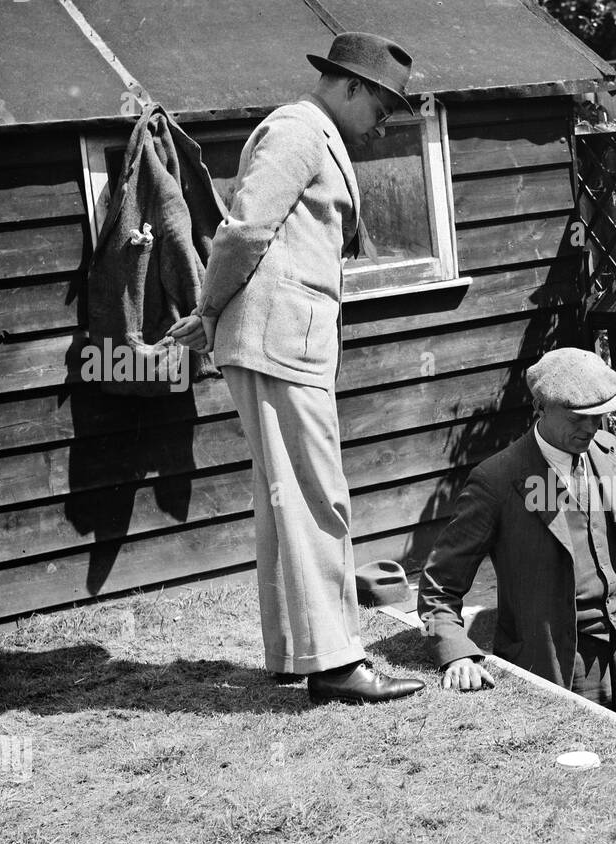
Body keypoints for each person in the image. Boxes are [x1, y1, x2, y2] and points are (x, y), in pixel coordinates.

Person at [169, 32, 422, 705]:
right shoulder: (300, 131)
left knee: (286, 495)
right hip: (281, 344)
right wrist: (211, 306)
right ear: (350, 86)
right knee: (318, 497)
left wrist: (212, 315)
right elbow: (245, 230)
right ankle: (338, 663)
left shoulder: (315, 133)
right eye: (383, 106)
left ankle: (296, 652)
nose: (384, 123)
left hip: (282, 341)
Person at [418, 348, 616, 720]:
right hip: (566, 660)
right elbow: (439, 584)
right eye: (577, 418)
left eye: (598, 417)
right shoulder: (498, 481)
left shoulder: (610, 453)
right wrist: (456, 652)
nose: (590, 429)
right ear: (541, 407)